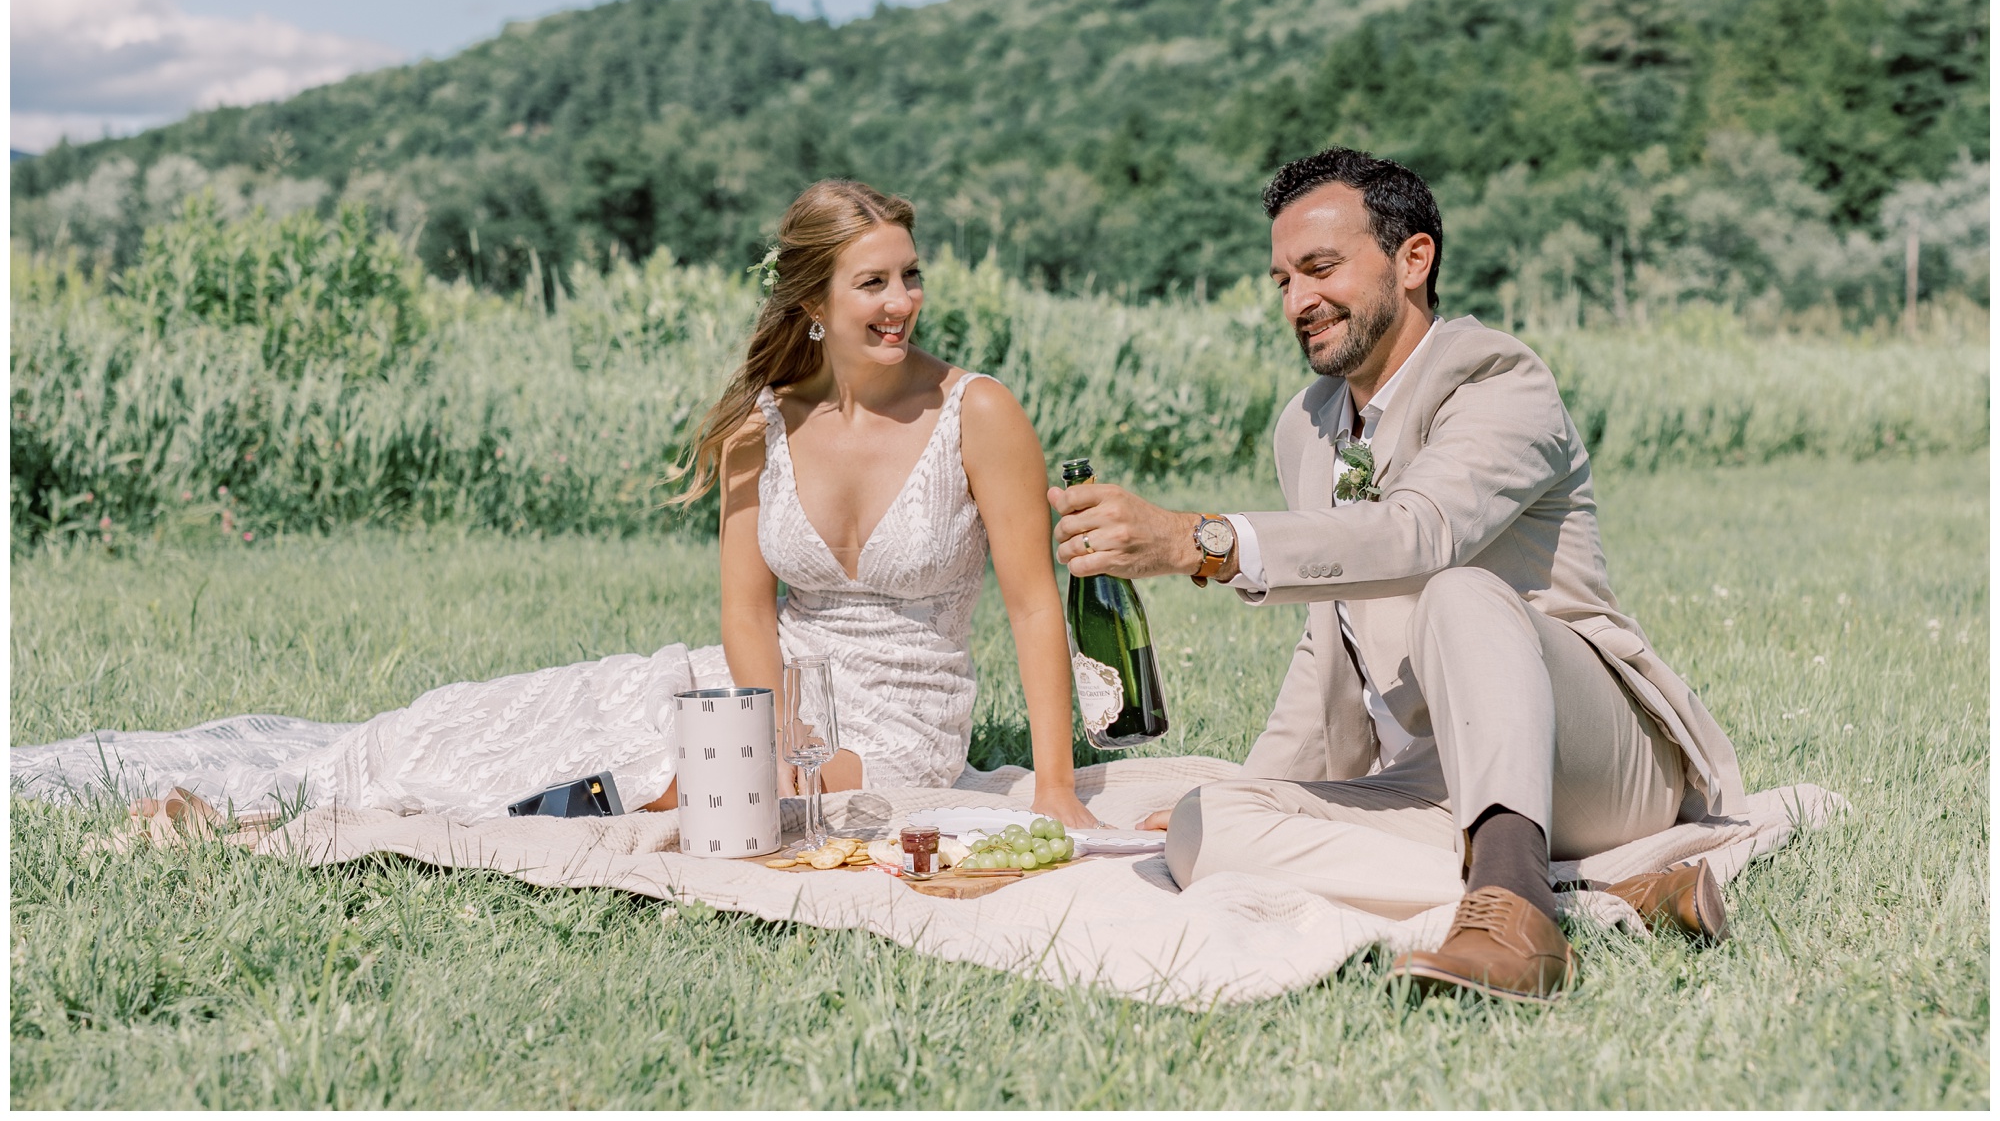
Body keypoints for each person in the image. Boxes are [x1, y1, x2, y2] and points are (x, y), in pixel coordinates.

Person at [13, 180, 1100, 831]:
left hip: (903, 718)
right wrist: (776, 726)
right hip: (768, 690)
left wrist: (1051, 783)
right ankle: (292, 800)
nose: (903, 302)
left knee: (673, 787)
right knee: (504, 721)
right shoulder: (760, 427)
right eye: (874, 282)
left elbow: (1030, 606)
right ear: (812, 304)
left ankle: (271, 825)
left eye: (909, 276)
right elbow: (745, 615)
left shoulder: (978, 413)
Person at [1047, 147, 1745, 1003]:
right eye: (1281, 281)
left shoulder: (1498, 378)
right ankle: (1579, 896)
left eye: (1320, 268)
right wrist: (1260, 797)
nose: (1298, 301)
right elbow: (1328, 642)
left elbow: (1420, 534)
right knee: (1202, 825)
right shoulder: (1304, 428)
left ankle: (1523, 925)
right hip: (1425, 779)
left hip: (1591, 758)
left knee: (1460, 593)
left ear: (1414, 260)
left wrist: (1204, 542)